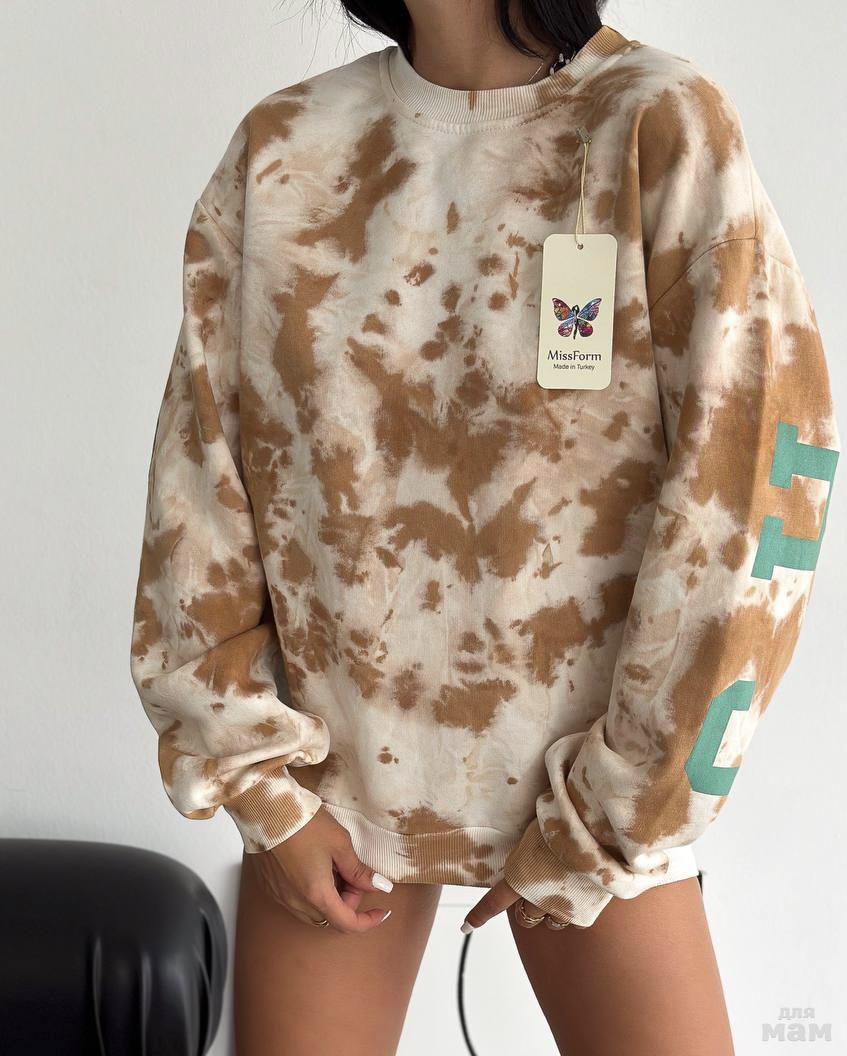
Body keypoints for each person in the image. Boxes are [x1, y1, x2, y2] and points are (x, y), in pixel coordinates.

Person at [129, 2, 839, 1053]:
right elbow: (201, 488)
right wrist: (262, 791)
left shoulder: (655, 122)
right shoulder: (284, 149)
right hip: (333, 799)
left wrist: (614, 813)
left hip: (593, 791)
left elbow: (756, 484)